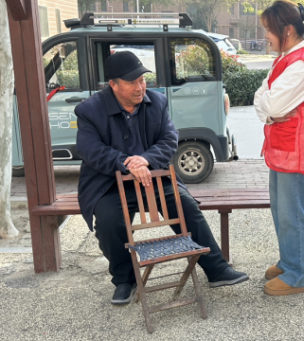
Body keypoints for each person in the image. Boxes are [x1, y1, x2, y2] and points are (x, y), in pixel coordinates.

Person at [75, 51, 249, 305]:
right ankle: (125, 280)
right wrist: (126, 163)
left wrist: (145, 160)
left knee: (186, 206)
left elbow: (169, 140)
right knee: (109, 221)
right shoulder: (89, 110)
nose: (140, 87)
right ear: (113, 84)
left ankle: (217, 269)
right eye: (132, 82)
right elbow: (90, 149)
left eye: (142, 80)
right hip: (109, 183)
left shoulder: (157, 102)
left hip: (153, 177)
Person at [254, 0, 304, 296]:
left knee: (293, 214)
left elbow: (269, 103)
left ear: (286, 30)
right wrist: (268, 107)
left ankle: (297, 274)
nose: (265, 37)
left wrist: (268, 107)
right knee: (282, 211)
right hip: (284, 149)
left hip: (295, 152)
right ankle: (289, 262)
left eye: (269, 30)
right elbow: (263, 98)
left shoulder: (301, 64)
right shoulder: (290, 58)